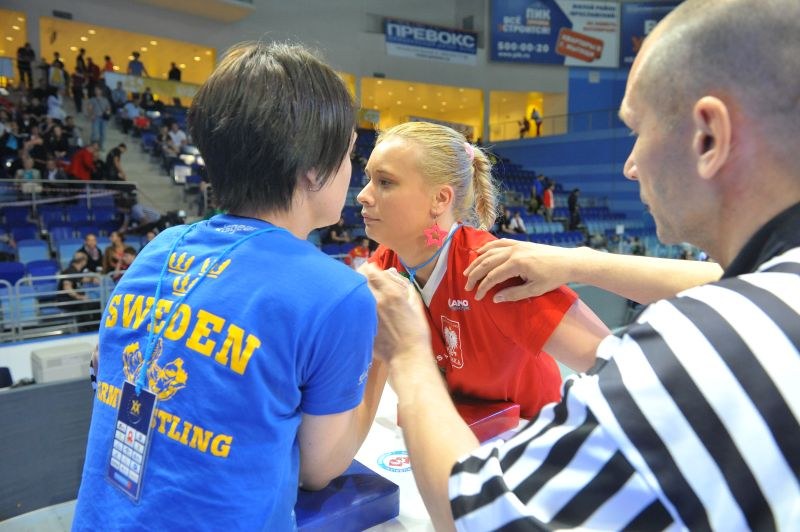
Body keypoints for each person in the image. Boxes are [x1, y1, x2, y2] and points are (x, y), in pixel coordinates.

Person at [363, 0, 800, 528]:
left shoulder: (688, 347)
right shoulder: (767, 302)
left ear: (708, 136)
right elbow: (738, 285)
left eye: (636, 129)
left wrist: (408, 354)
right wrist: (581, 261)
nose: (630, 165)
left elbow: (482, 515)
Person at [73, 41, 387, 531]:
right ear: (312, 167)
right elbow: (318, 471)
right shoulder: (336, 293)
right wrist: (391, 353)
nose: (354, 177)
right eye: (348, 155)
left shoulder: (162, 247)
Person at [359, 121, 608, 419]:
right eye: (368, 179)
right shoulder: (384, 263)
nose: (363, 195)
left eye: (384, 182)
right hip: (458, 432)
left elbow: (616, 364)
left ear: (440, 199)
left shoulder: (494, 267)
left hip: (531, 431)